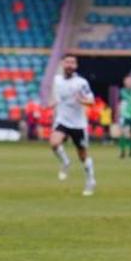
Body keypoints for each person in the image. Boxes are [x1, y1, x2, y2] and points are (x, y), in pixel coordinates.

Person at [50, 54, 96, 195]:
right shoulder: (57, 80)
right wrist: (54, 103)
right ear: (62, 64)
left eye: (73, 63)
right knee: (54, 143)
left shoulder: (81, 83)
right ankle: (65, 162)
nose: (70, 65)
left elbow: (91, 101)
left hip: (78, 125)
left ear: (75, 66)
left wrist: (81, 100)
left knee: (82, 156)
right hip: (62, 121)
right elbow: (59, 97)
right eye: (67, 62)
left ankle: (90, 180)